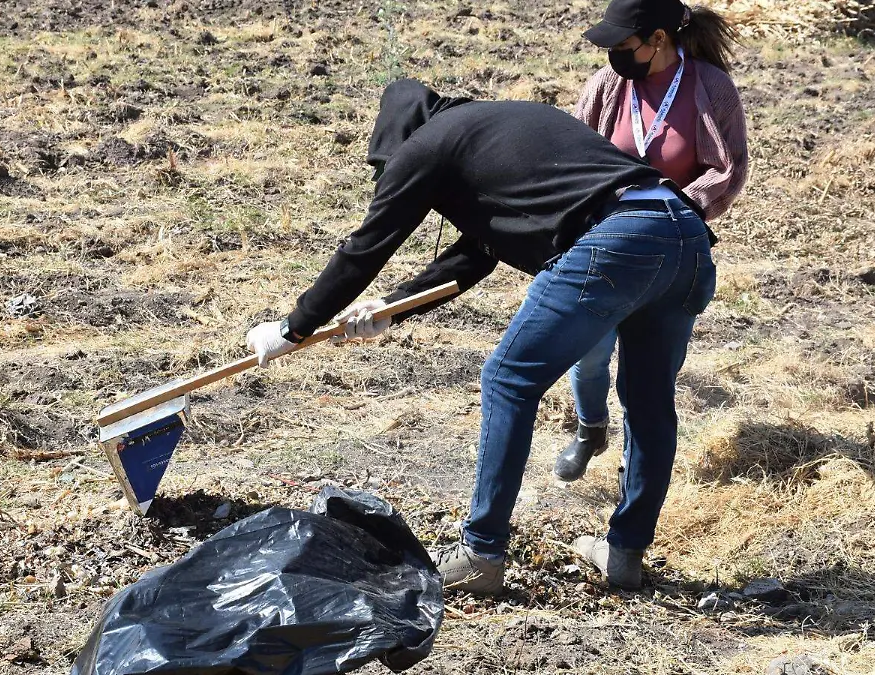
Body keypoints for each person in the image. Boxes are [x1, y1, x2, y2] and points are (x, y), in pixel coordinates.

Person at [244, 78, 717, 593]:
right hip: (684, 234)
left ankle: (481, 554)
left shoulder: (426, 145)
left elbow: (367, 246)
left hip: (619, 241)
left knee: (507, 379)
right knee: (648, 400)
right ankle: (624, 554)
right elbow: (474, 257)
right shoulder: (497, 127)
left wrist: (295, 327)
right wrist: (389, 307)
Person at [555, 0, 747, 484]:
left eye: (623, 44)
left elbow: (730, 168)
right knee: (589, 352)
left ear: (658, 39)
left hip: (670, 248)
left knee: (649, 373)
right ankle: (589, 428)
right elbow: (575, 155)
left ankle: (631, 463)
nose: (613, 54)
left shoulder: (712, 88)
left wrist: (682, 208)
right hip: (605, 240)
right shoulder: (607, 84)